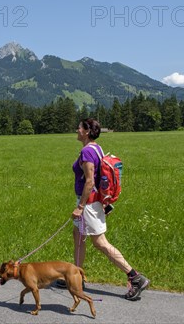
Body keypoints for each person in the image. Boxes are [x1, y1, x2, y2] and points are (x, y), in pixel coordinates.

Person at [58, 118, 150, 301]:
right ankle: (77, 277)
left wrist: (80, 207)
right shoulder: (96, 148)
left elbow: (90, 181)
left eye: (80, 127)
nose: (77, 129)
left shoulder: (86, 152)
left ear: (86, 131)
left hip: (89, 204)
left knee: (100, 243)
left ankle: (135, 277)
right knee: (78, 237)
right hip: (93, 202)